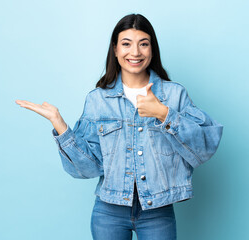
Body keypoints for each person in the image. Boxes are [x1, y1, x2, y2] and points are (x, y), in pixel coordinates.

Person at [15, 13, 223, 240]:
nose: (135, 52)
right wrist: (61, 126)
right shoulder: (98, 100)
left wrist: (163, 114)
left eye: (143, 44)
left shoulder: (174, 95)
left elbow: (204, 148)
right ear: (115, 49)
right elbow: (88, 168)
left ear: (152, 50)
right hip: (108, 212)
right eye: (126, 44)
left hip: (158, 211)